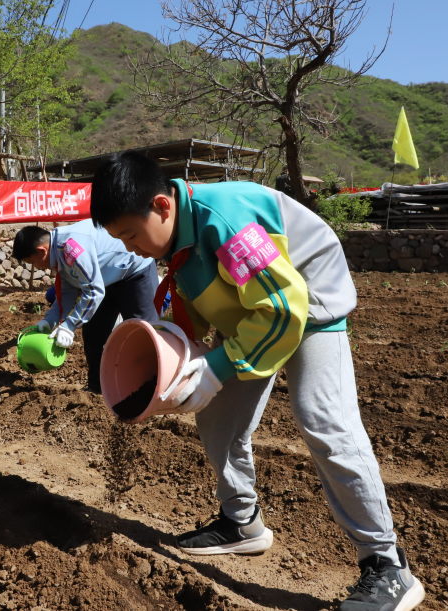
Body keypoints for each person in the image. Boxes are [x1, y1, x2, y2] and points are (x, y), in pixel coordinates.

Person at [89, 150, 424, 611]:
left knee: (324, 423)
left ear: (162, 206)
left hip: (310, 307)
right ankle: (241, 522)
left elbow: (285, 307)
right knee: (218, 419)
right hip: (253, 313)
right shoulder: (178, 243)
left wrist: (218, 368)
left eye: (130, 234)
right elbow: (209, 312)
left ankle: (388, 566)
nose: (130, 248)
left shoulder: (225, 221)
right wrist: (177, 363)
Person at [12, 220, 160, 393]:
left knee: (144, 332)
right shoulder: (58, 253)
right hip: (103, 281)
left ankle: (154, 388)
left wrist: (69, 326)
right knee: (94, 334)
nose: (36, 267)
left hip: (134, 271)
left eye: (32, 262)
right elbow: (68, 292)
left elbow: (93, 292)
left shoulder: (71, 248)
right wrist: (50, 320)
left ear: (41, 251)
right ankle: (98, 389)